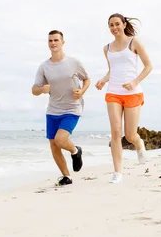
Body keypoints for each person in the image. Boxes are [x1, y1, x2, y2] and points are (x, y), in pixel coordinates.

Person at [95, 13, 153, 183]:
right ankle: (117, 173)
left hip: (133, 93)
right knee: (115, 132)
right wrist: (103, 80)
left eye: (117, 24)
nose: (114, 28)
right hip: (113, 92)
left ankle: (139, 143)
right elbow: (112, 70)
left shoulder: (134, 42)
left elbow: (148, 66)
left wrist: (135, 81)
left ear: (124, 23)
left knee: (129, 135)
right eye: (111, 25)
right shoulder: (107, 48)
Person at [32, 30, 91, 186]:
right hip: (52, 110)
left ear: (62, 42)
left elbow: (86, 79)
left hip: (72, 108)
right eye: (50, 40)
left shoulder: (73, 63)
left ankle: (75, 151)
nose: (53, 43)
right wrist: (42, 89)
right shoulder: (44, 67)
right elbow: (34, 90)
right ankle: (66, 176)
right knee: (53, 144)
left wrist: (82, 91)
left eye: (56, 40)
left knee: (60, 140)